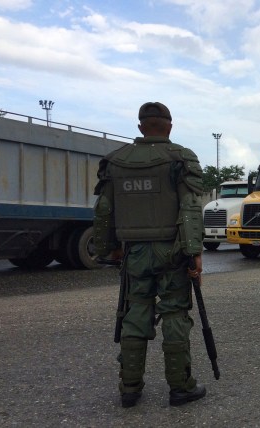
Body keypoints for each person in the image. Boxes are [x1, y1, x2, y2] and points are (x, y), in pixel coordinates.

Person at [93, 102, 206, 408]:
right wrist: (194, 251)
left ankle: (129, 389)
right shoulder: (180, 158)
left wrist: (107, 249)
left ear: (141, 127)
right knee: (174, 314)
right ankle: (180, 387)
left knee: (135, 314)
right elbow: (190, 208)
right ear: (169, 126)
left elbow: (104, 211)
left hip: (134, 253)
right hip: (172, 249)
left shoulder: (115, 161)